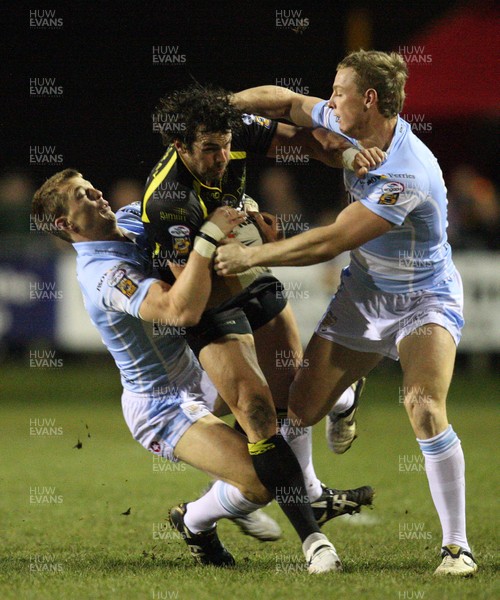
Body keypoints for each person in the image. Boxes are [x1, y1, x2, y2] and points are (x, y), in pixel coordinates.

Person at [216, 50, 477, 577]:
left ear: (370, 100)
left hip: (423, 297)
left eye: (339, 91)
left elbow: (331, 239)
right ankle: (347, 399)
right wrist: (223, 106)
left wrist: (252, 254)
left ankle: (457, 547)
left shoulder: (409, 172)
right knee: (299, 412)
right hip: (364, 295)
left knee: (423, 404)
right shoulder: (345, 122)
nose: (330, 100)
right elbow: (286, 103)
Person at [31, 170, 370, 574]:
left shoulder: (133, 218)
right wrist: (209, 240)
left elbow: (202, 223)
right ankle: (195, 521)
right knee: (260, 483)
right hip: (162, 404)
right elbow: (181, 310)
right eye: (82, 196)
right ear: (65, 225)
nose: (97, 193)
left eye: (91, 186)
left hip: (199, 370)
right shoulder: (103, 276)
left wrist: (250, 225)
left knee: (288, 389)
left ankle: (337, 413)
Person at [142, 85, 380, 572]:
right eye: (210, 149)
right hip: (206, 294)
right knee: (255, 412)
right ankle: (315, 543)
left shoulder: (235, 135)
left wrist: (350, 156)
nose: (223, 156)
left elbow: (305, 138)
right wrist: (235, 240)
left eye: (227, 144)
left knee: (294, 400)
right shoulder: (167, 201)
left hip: (246, 267)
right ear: (179, 146)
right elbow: (190, 293)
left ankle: (340, 400)